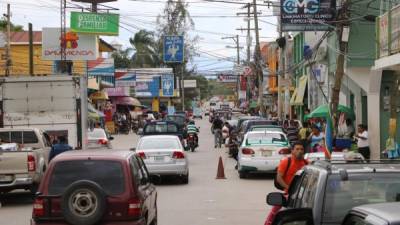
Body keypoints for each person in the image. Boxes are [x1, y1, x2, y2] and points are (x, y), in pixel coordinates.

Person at [265, 142, 308, 225]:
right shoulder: (286, 161)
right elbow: (279, 178)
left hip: (302, 196)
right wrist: (289, 188)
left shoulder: (306, 163)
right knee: (274, 214)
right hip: (287, 194)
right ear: (292, 151)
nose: (300, 151)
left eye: (302, 149)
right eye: (297, 149)